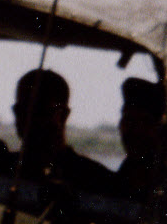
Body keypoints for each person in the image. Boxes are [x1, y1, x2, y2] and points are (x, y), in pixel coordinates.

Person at [12, 68, 120, 197]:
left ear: (63, 115)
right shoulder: (3, 167)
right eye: (20, 110)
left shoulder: (96, 179)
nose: (27, 118)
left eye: (38, 111)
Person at [116, 74, 167, 191]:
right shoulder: (126, 174)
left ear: (160, 130)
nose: (134, 130)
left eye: (144, 122)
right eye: (128, 120)